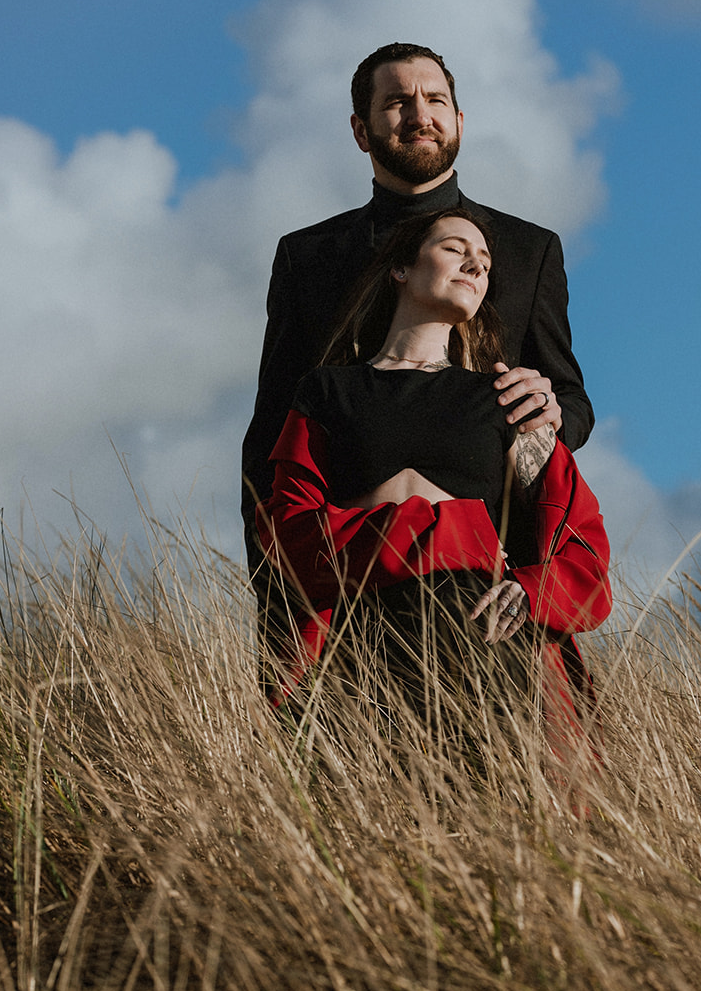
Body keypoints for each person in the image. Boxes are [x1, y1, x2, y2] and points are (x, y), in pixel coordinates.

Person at [242, 43, 594, 650]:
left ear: (460, 120)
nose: (420, 114)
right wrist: (275, 591)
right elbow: (270, 427)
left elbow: (572, 402)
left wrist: (553, 412)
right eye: (397, 102)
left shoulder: (527, 248)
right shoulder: (309, 256)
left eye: (436, 100)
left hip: (487, 589)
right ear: (361, 129)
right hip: (340, 588)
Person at [255, 209, 610, 751]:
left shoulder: (506, 398)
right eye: (454, 248)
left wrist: (531, 587)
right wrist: (451, 531)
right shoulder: (325, 391)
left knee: (487, 819)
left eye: (486, 263)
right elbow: (290, 532)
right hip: (359, 632)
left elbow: (583, 542)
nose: (475, 264)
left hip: (479, 628)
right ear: (401, 267)